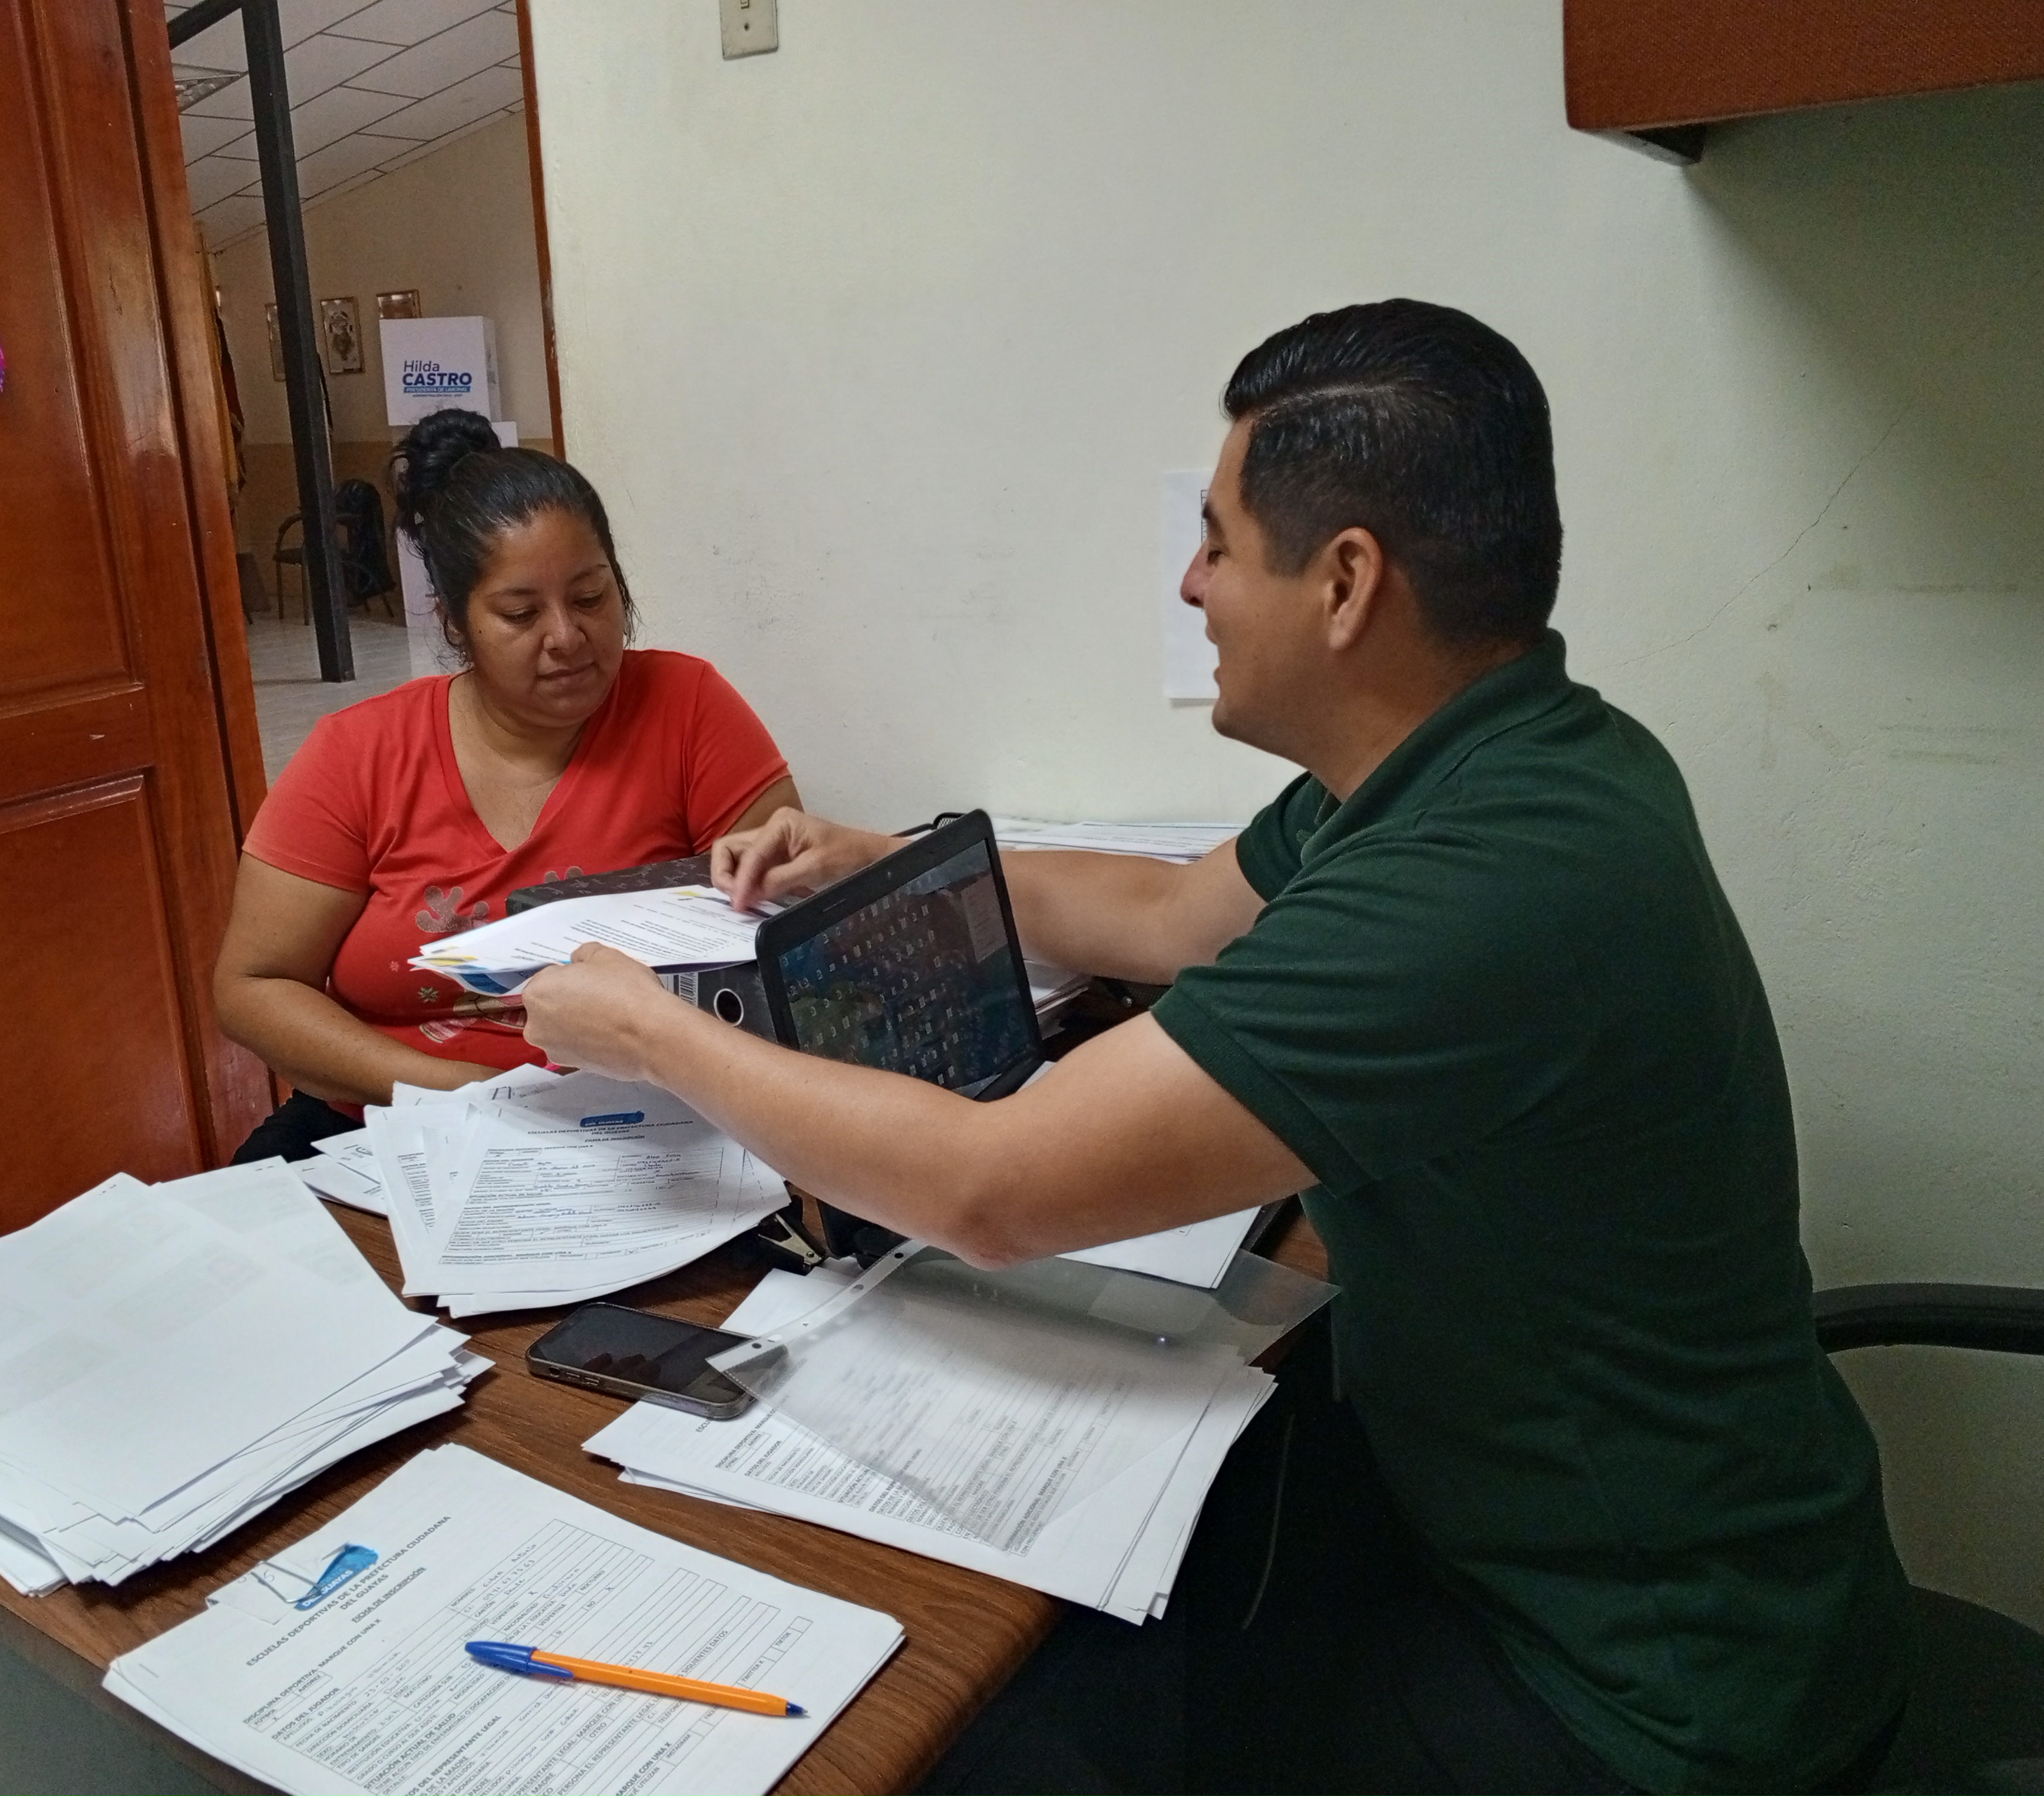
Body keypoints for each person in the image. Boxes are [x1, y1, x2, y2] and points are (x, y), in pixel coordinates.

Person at [517, 303, 1913, 1795]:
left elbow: (994, 1189)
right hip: (1559, 1540)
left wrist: (653, 1031)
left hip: (1645, 1692)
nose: (1189, 584)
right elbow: (1169, 913)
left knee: (1029, 1736)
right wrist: (888, 856)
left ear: (1345, 583)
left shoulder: (1480, 881)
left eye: (1218, 543)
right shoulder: (1499, 755)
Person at [214, 410, 801, 1160]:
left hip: (643, 1128)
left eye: (590, 598)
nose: (566, 637)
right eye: (520, 614)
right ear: (455, 623)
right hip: (388, 1119)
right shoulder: (357, 753)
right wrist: (467, 1093)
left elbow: (781, 946)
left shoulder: (687, 709)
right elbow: (255, 987)